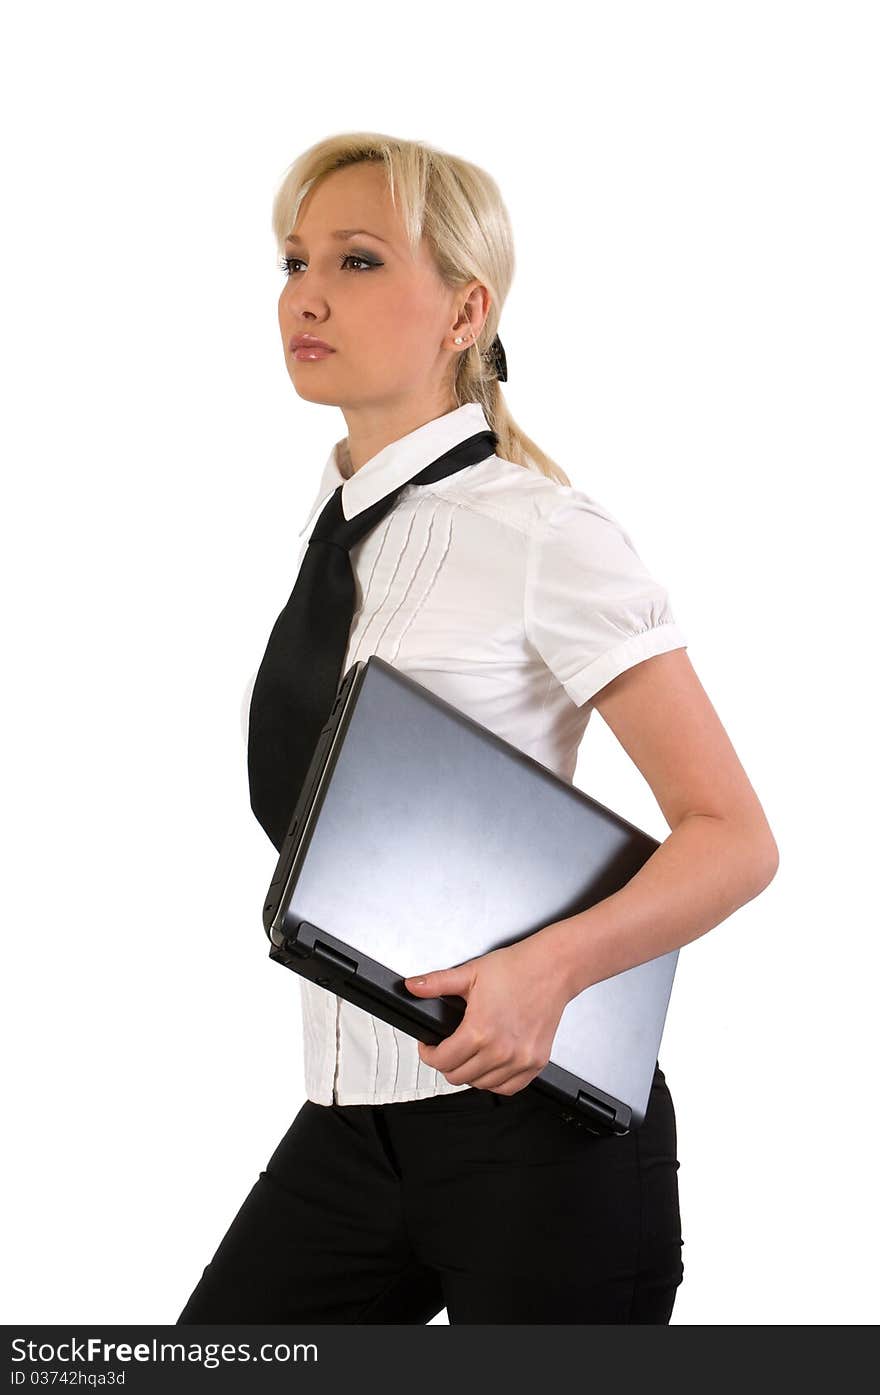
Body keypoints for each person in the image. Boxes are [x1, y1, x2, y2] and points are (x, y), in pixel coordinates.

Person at [176, 132, 778, 1325]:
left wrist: (545, 970)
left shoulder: (543, 530)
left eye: (355, 261)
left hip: (538, 1142)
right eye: (292, 262)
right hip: (354, 1134)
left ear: (465, 311)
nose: (304, 293)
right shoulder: (342, 522)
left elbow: (734, 837)